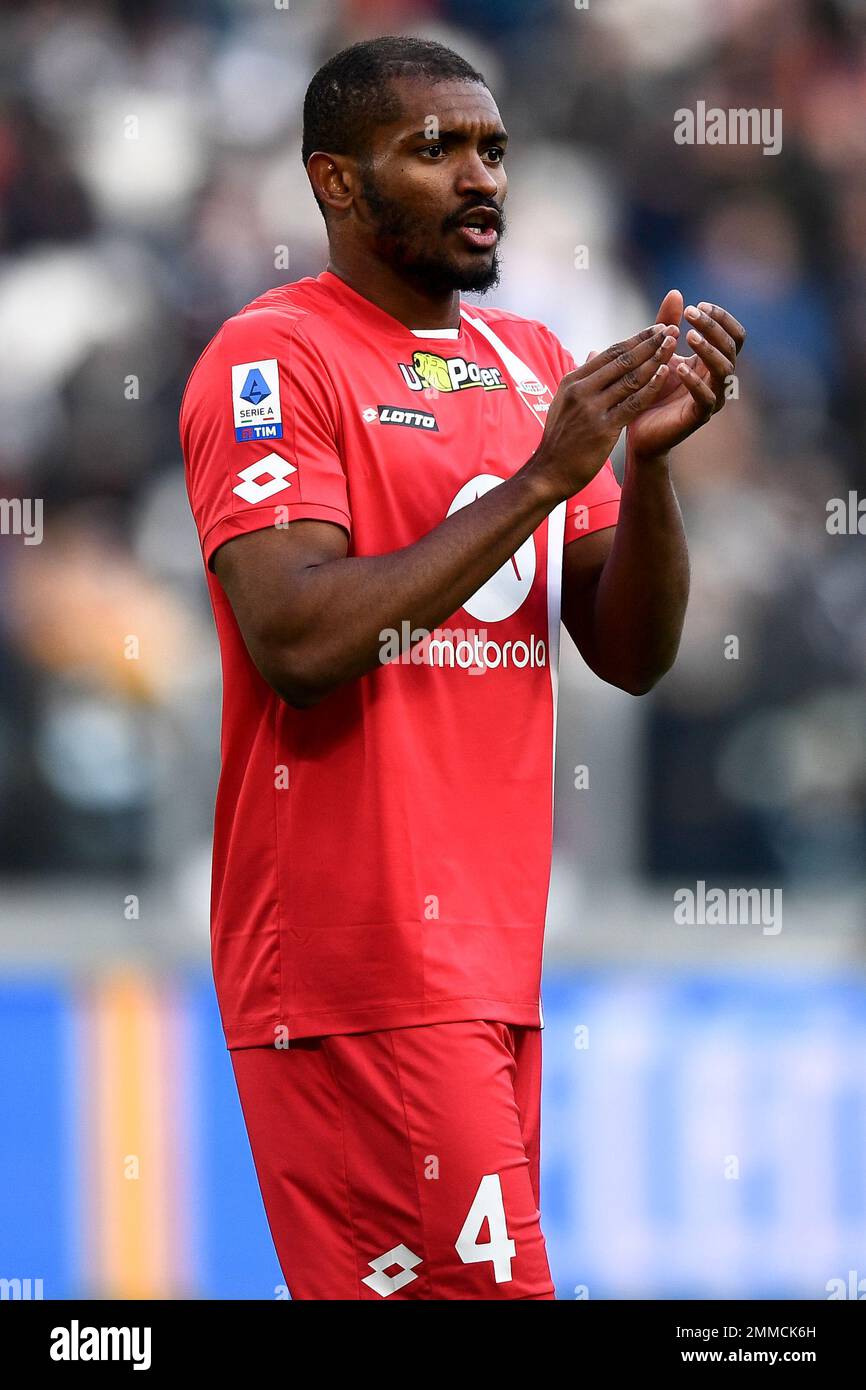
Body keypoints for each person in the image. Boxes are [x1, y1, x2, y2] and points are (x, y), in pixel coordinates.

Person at [180, 35, 745, 1300]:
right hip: (354, 958)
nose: (476, 175)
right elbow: (300, 642)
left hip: (490, 959)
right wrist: (543, 478)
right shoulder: (273, 360)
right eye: (431, 148)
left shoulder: (527, 365)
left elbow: (631, 651)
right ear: (334, 181)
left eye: (490, 148)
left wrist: (645, 471)